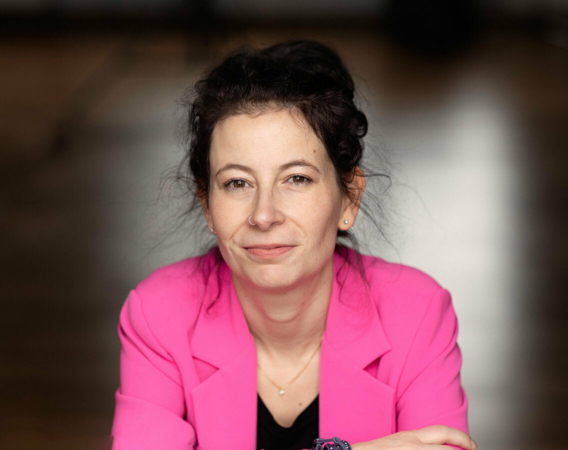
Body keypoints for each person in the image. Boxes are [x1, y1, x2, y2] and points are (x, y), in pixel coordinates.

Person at [110, 39, 475, 450]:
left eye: (297, 179)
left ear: (349, 198)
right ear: (207, 204)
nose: (263, 215)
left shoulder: (417, 313)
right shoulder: (158, 315)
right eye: (237, 183)